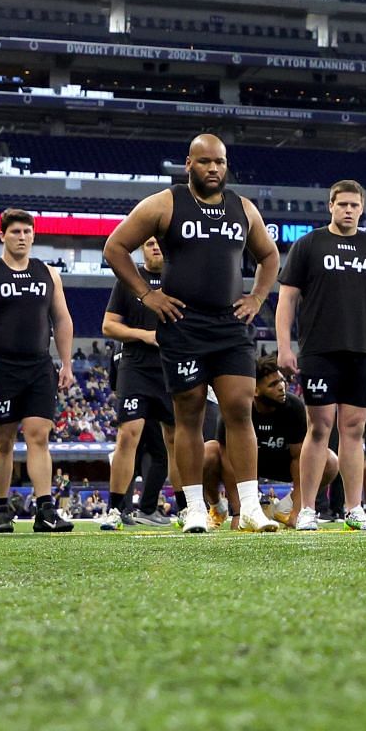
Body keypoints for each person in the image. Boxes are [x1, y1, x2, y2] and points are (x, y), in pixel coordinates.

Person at [103, 132, 281, 535]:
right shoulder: (165, 203)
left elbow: (269, 256)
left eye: (219, 162)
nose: (213, 169)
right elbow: (115, 247)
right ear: (189, 165)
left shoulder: (243, 208)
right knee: (189, 414)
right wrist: (147, 294)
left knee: (239, 407)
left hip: (229, 325)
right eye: (204, 162)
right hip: (181, 324)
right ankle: (195, 509)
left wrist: (256, 298)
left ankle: (251, 508)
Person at [274, 179, 366, 532]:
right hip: (320, 351)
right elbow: (287, 300)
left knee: (354, 430)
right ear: (330, 205)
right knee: (319, 429)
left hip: (364, 351)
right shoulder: (309, 245)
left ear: (362, 208)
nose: (348, 210)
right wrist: (285, 346)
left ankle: (354, 508)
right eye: (341, 204)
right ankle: (308, 509)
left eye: (354, 205)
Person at [0, 210, 76, 533]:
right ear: (2, 235)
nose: (23, 237)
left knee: (40, 436)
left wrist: (66, 362)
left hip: (40, 365)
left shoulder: (48, 274)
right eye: (15, 231)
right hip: (1, 366)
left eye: (28, 231)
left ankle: (45, 509)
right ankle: (0, 511)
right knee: (3, 440)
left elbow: (63, 319)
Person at [100, 236, 176, 528]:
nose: (156, 247)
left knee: (175, 439)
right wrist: (145, 335)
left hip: (173, 367)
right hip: (137, 366)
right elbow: (108, 325)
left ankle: (185, 507)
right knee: (128, 434)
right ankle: (116, 509)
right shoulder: (129, 281)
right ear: (141, 250)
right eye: (148, 244)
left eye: (160, 242)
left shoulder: (180, 280)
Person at [211, 359, 333, 526]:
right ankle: (217, 507)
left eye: (282, 380)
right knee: (208, 453)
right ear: (255, 390)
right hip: (245, 465)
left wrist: (297, 511)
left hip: (282, 464)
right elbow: (228, 463)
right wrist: (239, 512)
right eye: (273, 384)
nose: (282, 387)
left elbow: (299, 459)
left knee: (329, 461)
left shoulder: (294, 407)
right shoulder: (236, 409)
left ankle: (284, 508)